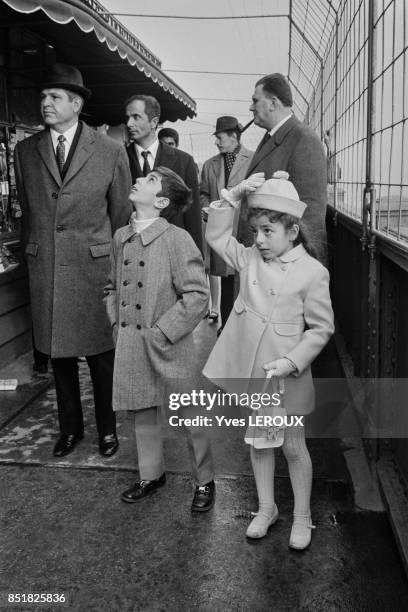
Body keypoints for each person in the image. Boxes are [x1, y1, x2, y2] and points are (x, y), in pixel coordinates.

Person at [203, 171, 334, 549]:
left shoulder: (313, 272)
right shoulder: (249, 259)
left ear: (292, 230)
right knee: (260, 443)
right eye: (255, 231)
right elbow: (215, 237)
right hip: (253, 371)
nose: (258, 240)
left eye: (267, 232)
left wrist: (292, 362)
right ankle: (266, 509)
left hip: (286, 375)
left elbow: (321, 329)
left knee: (293, 446)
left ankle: (303, 517)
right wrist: (232, 198)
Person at [14, 63, 132, 458]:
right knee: (59, 354)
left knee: (100, 356)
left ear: (76, 104)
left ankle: (108, 430)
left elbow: (121, 217)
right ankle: (70, 430)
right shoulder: (26, 150)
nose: (45, 103)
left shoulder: (111, 151)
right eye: (43, 97)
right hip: (46, 265)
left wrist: (115, 264)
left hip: (93, 267)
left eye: (55, 97)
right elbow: (29, 210)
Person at [104, 166, 215, 511]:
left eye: (150, 180)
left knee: (190, 412)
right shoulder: (121, 236)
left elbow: (198, 296)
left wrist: (163, 331)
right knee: (142, 409)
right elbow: (110, 286)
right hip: (132, 341)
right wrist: (115, 323)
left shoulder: (176, 239)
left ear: (162, 200)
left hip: (169, 342)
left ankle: (205, 480)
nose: (139, 179)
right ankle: (151, 474)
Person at [239, 74, 328, 262]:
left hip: (279, 270)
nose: (251, 107)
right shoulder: (273, 137)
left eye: (255, 101)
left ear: (273, 103)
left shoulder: (304, 140)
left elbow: (310, 216)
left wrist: (293, 269)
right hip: (263, 262)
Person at [125, 95, 203, 254]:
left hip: (172, 252)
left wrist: (196, 258)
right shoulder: (118, 158)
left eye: (136, 117)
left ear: (154, 122)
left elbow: (192, 217)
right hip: (130, 252)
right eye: (127, 118)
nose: (129, 124)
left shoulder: (184, 161)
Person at [200, 116, 253, 332]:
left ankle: (240, 329)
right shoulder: (209, 165)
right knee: (228, 279)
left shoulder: (254, 159)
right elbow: (203, 193)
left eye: (220, 137)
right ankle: (226, 328)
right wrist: (207, 210)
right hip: (222, 231)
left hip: (244, 231)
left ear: (233, 137)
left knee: (245, 280)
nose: (217, 142)